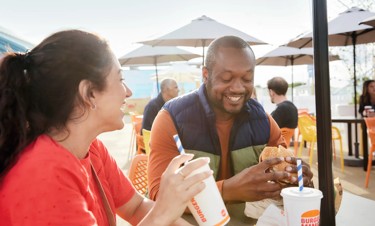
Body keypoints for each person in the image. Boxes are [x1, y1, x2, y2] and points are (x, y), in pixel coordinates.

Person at [0, 29, 213, 226]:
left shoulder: (92, 150)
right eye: (120, 79)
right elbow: (154, 215)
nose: (128, 92)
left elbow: (137, 208)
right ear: (89, 93)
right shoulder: (44, 176)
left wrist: (167, 210)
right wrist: (163, 212)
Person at [147, 36, 314, 222]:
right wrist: (228, 190)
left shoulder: (264, 121)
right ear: (205, 75)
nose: (237, 88)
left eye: (247, 78)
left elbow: (283, 175)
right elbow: (157, 197)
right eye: (226, 78)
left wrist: (296, 179)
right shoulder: (171, 118)